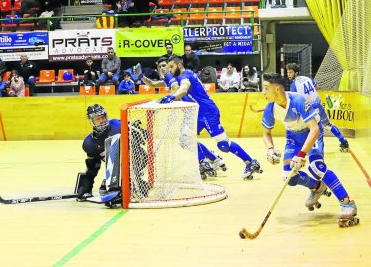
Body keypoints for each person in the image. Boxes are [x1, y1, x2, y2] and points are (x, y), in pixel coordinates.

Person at [261, 72, 358, 227]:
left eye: (266, 88)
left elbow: (314, 130)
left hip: (311, 133)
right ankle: (317, 187)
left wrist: (301, 155)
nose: (263, 92)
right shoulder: (270, 109)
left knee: (316, 167)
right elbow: (266, 133)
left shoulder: (298, 100)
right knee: (289, 177)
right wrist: (270, 149)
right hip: (293, 136)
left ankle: (347, 203)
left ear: (278, 89)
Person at [151, 56, 260, 179]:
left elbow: (184, 89)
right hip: (197, 114)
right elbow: (173, 86)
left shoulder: (186, 75)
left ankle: (250, 162)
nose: (169, 69)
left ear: (179, 65)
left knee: (223, 144)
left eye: (171, 66)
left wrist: (171, 97)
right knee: (185, 139)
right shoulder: (177, 77)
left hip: (208, 113)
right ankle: (207, 161)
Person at [286, 63, 350, 152]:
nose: (288, 74)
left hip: (309, 110)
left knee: (309, 130)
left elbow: (295, 101)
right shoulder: (307, 78)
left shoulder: (293, 85)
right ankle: (344, 142)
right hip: (318, 106)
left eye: (290, 72)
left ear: (296, 73)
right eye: (288, 72)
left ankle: (313, 151)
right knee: (327, 125)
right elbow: (317, 87)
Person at [77, 104, 121, 201]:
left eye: (103, 117)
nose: (101, 121)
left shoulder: (118, 125)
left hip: (131, 163)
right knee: (104, 190)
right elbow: (93, 167)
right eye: (98, 119)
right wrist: (86, 187)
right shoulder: (89, 143)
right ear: (91, 121)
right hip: (115, 171)